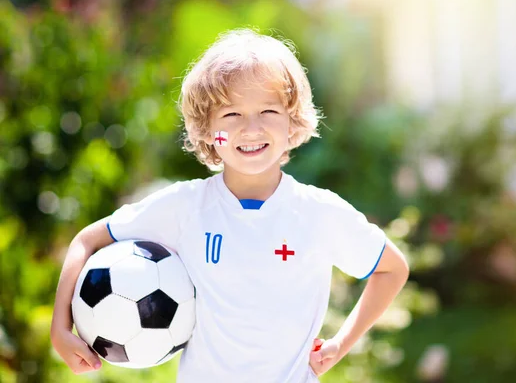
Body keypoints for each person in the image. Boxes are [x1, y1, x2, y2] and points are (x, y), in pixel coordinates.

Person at [50, 28, 410, 382]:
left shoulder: (317, 212)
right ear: (208, 131)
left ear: (292, 121)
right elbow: (87, 240)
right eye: (231, 115)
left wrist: (339, 344)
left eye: (268, 111)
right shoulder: (185, 207)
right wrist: (60, 328)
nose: (251, 128)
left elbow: (391, 269)